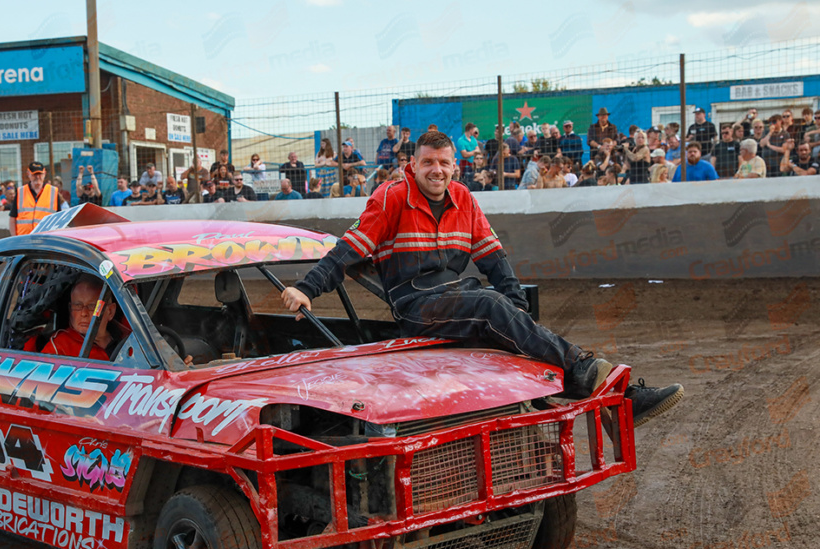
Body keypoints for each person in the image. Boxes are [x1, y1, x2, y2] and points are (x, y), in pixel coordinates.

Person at [281, 131, 682, 425]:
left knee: (505, 304)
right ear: (413, 165)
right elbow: (348, 251)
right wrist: (304, 288)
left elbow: (494, 260)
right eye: (427, 163)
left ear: (455, 166)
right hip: (415, 305)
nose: (436, 170)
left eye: (443, 163)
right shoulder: (390, 197)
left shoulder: (465, 199)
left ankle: (605, 404)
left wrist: (520, 311)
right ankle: (609, 388)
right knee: (491, 304)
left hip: (458, 294)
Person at [42, 275, 119, 361]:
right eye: (78, 305)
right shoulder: (59, 347)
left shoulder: (128, 339)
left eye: (92, 306)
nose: (83, 313)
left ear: (110, 311)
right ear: (70, 309)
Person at [8, 161, 60, 235]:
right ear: (28, 174)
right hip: (24, 240)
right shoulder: (21, 192)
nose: (37, 177)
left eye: (40, 174)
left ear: (44, 174)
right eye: (34, 174)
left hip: (46, 239)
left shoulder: (53, 192)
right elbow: (12, 218)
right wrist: (14, 238)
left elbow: (59, 219)